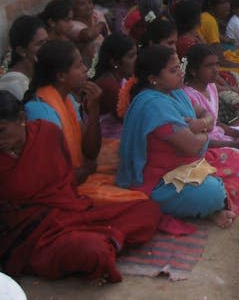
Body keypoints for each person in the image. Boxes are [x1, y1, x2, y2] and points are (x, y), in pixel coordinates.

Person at [0, 90, 160, 283]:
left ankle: (108, 238)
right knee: (93, 251)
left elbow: (66, 182)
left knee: (147, 209)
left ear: (21, 119)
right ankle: (106, 242)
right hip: (33, 235)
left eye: (2, 130)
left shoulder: (47, 133)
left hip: (72, 211)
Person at [116, 46, 239, 227]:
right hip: (161, 179)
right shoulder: (153, 105)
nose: (180, 73)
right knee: (213, 193)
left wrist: (200, 125)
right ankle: (210, 210)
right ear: (153, 79)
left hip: (187, 165)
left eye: (178, 68)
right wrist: (205, 131)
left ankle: (210, 210)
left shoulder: (174, 92)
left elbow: (205, 113)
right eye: (173, 70)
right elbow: (192, 146)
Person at [24, 40, 103, 182]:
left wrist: (94, 110)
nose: (85, 69)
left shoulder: (68, 100)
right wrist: (87, 169)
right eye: (79, 65)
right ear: (61, 76)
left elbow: (90, 152)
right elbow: (54, 177)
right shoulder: (42, 113)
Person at [93, 34, 137, 138]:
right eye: (131, 56)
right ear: (114, 62)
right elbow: (132, 121)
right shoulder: (108, 86)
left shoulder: (121, 78)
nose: (136, 60)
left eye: (136, 54)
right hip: (106, 145)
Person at [0, 15, 48, 101]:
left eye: (46, 41)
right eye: (39, 44)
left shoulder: (36, 72)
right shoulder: (14, 85)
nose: (47, 47)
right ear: (21, 51)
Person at [68, 0, 110, 67]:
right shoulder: (71, 24)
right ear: (72, 8)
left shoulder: (96, 14)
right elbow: (88, 35)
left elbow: (108, 37)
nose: (89, 7)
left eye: (90, 2)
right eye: (82, 4)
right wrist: (101, 24)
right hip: (89, 68)